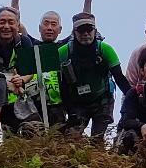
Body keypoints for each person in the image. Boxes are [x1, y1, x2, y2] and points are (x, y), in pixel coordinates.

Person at [55, 12, 129, 141]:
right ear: (74, 32)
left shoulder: (105, 50)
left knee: (97, 140)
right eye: (81, 30)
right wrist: (70, 111)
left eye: (89, 29)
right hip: (77, 102)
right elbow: (62, 85)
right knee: (71, 139)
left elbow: (120, 79)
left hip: (102, 100)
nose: (85, 34)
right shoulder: (63, 52)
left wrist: (134, 100)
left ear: (95, 31)